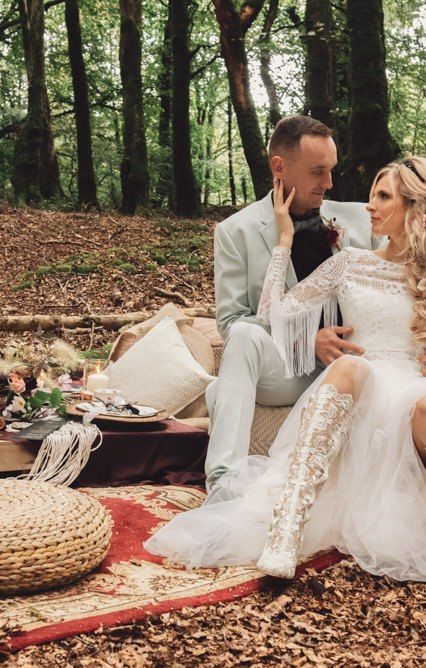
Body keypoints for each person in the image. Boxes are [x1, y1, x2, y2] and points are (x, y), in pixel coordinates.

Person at [145, 156, 426, 582]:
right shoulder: (350, 262)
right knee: (351, 367)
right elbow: (273, 311)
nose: (369, 205)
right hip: (359, 385)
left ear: (413, 208)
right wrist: (283, 243)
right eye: (370, 195)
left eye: (383, 196)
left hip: (410, 390)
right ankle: (287, 528)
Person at [205, 116, 379, 491]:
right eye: (318, 171)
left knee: (220, 391)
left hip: (358, 366)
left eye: (332, 170)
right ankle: (224, 484)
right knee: (242, 337)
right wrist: (307, 341)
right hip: (287, 370)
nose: (329, 183)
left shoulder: (361, 220)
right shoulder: (236, 232)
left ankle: (224, 397)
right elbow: (232, 321)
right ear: (279, 167)